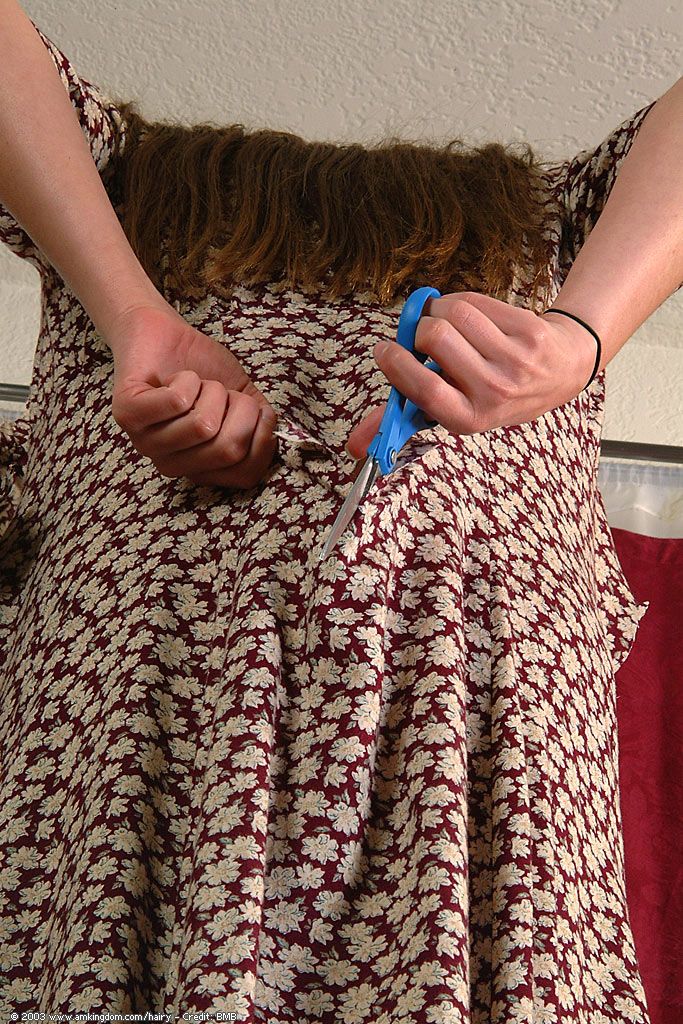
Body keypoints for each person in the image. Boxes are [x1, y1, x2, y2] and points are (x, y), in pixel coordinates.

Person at [0, 1, 681, 1018]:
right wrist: (131, 309)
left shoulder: (559, 247)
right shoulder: (109, 207)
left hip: (476, 808)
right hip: (142, 782)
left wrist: (582, 330)